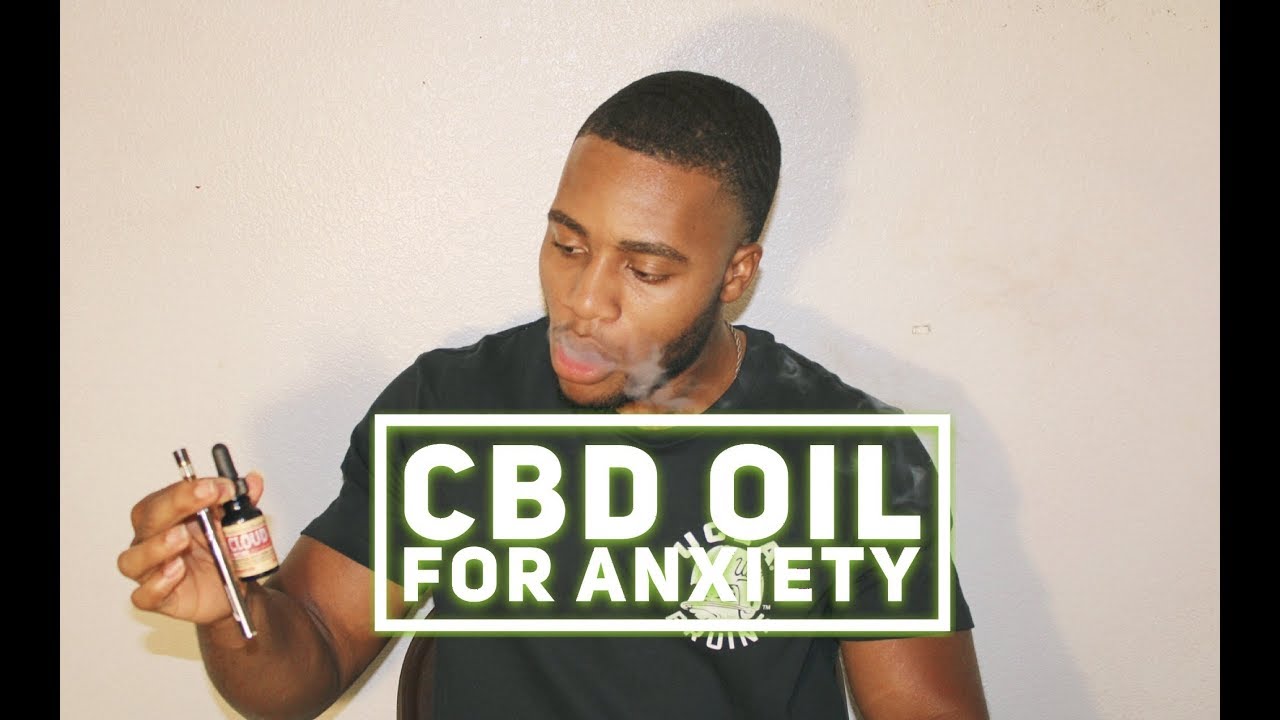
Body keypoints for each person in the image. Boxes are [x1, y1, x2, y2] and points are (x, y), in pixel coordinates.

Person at [118, 70, 990, 720]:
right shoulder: (451, 410)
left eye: (645, 270)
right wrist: (229, 613)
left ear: (737, 274)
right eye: (568, 246)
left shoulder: (851, 456)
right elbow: (299, 669)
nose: (583, 302)